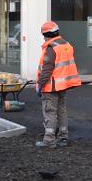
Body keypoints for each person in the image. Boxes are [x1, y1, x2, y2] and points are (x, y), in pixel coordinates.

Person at [35, 20, 82, 148]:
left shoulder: (51, 48)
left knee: (49, 111)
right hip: (63, 85)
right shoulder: (66, 44)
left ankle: (49, 140)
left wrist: (40, 85)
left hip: (51, 86)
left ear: (46, 34)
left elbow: (47, 70)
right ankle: (63, 137)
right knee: (61, 111)